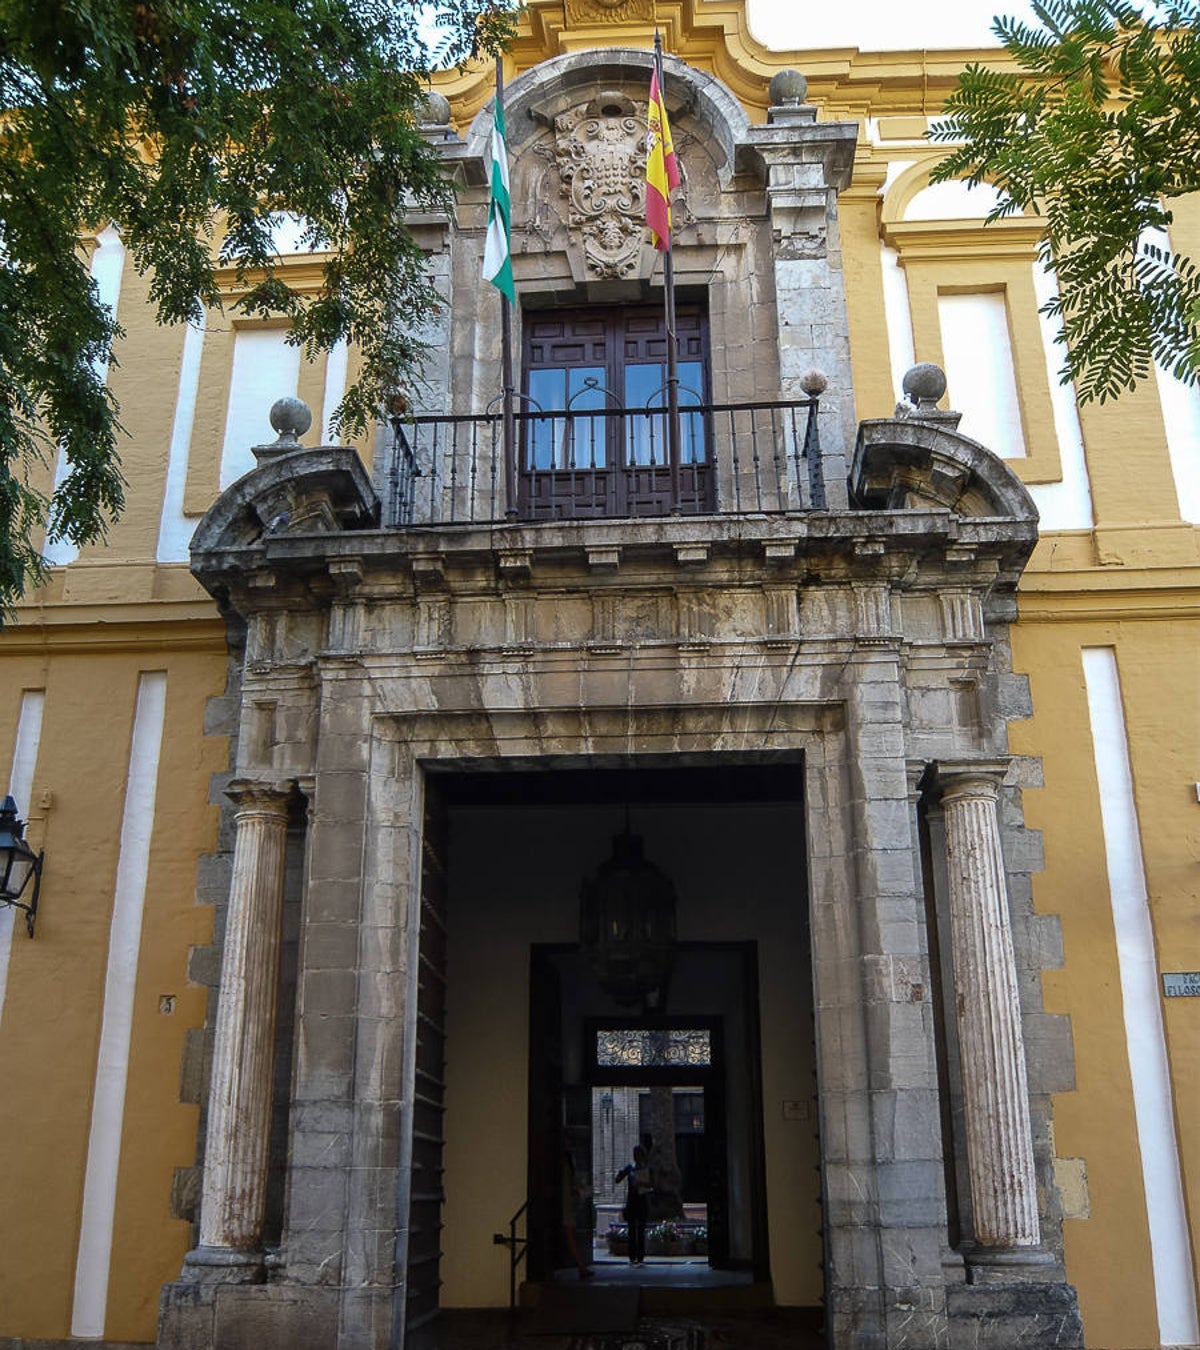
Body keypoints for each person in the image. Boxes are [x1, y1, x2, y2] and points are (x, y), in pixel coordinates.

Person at [615, 1144, 652, 1265]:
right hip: (631, 1203)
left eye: (638, 1154)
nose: (636, 1157)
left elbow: (652, 1185)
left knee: (641, 1231)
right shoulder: (630, 1168)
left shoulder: (647, 1169)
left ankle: (640, 1257)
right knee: (631, 1231)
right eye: (634, 1155)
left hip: (642, 1202)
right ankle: (632, 1257)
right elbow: (617, 1180)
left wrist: (642, 1184)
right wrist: (621, 1174)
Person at [562, 1148, 593, 1279]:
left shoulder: (567, 1163)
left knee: (571, 1233)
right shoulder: (563, 1163)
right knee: (570, 1233)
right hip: (565, 1203)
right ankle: (580, 1266)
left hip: (568, 1203)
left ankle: (580, 1265)